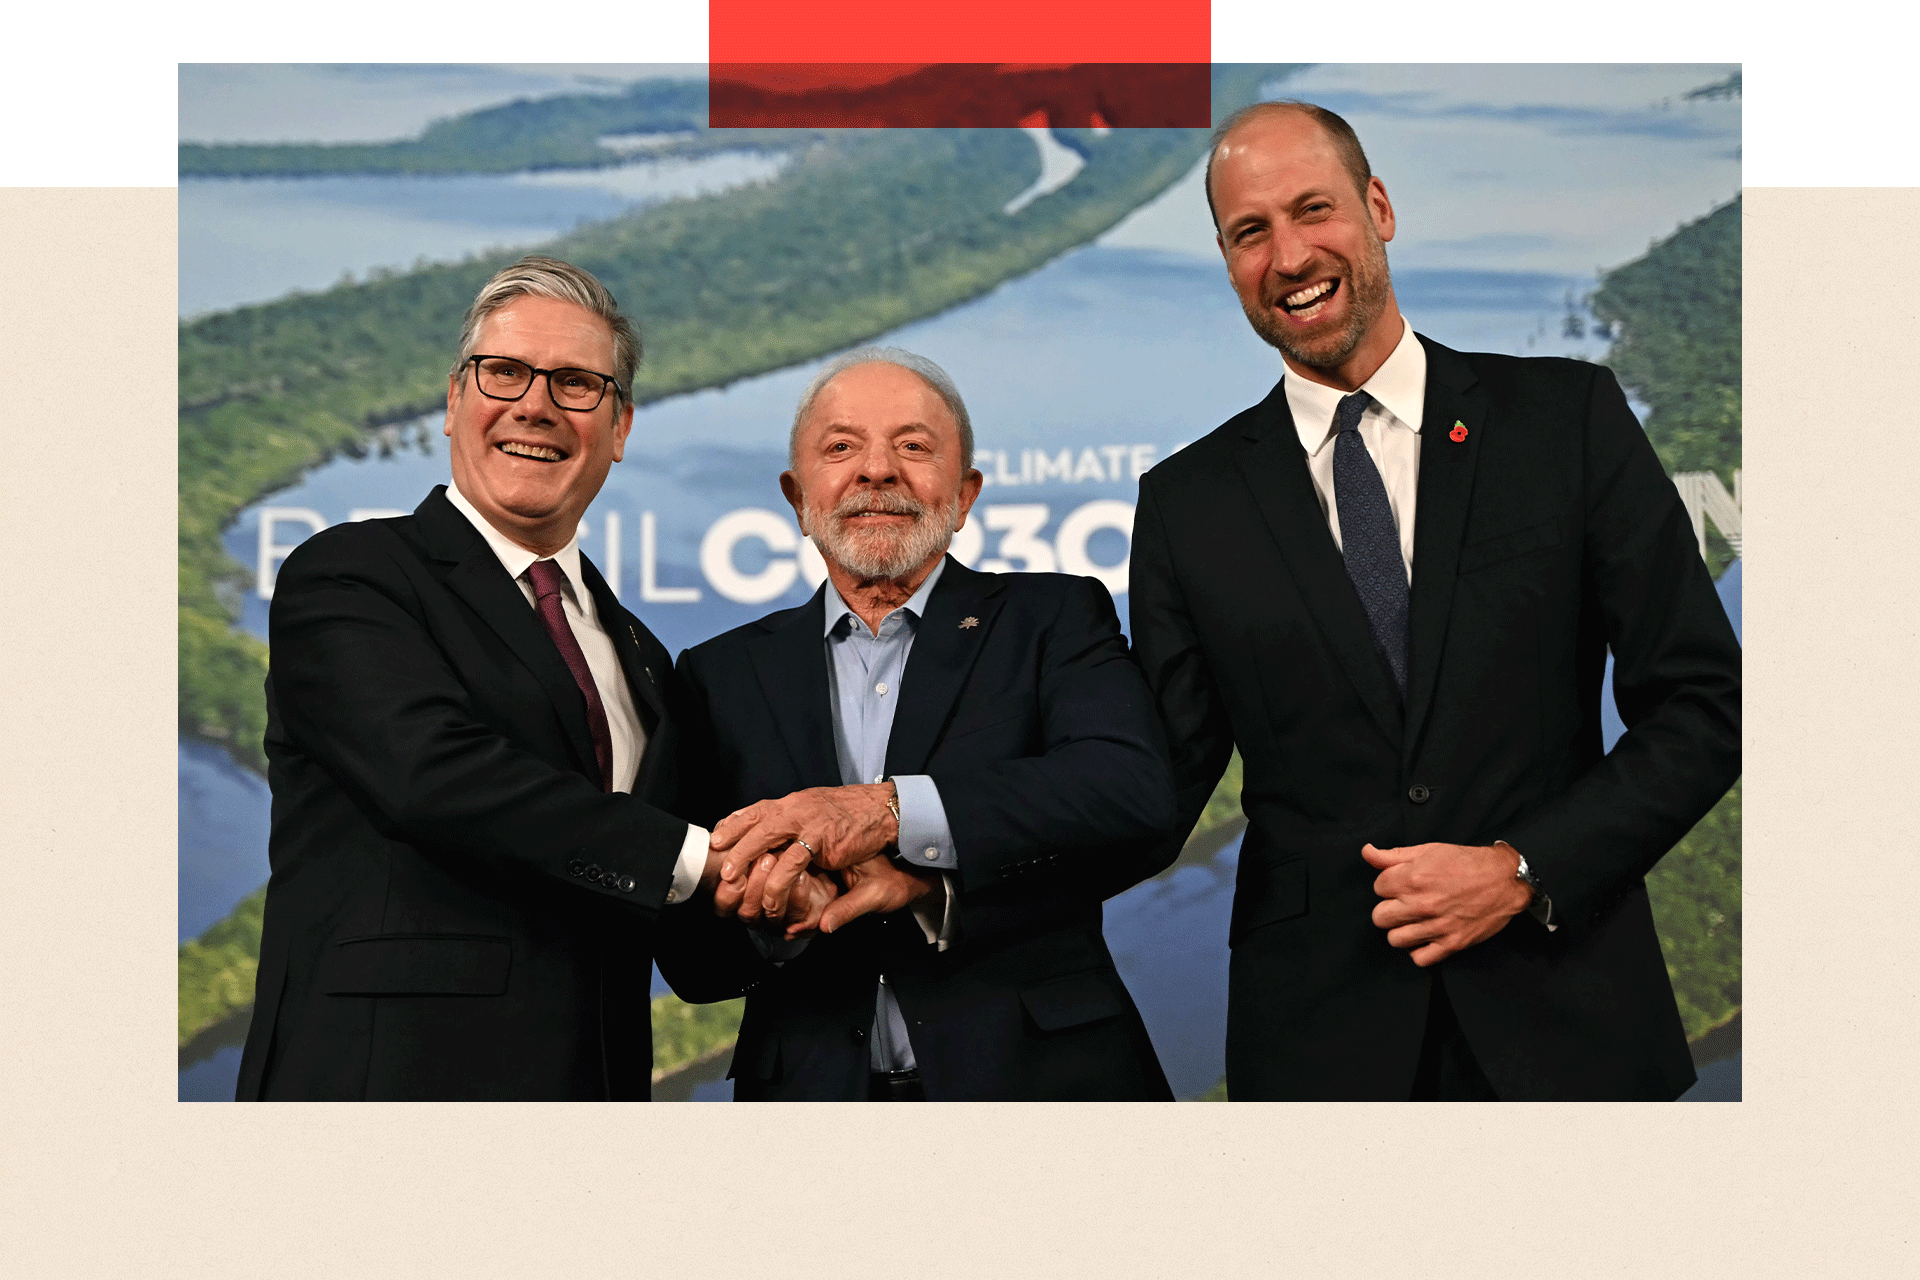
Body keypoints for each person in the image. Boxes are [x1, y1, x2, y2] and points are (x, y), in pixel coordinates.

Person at [1128, 102, 1741, 1100]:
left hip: (1571, 1022)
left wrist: (1524, 865)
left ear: (1378, 207)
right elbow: (1150, 789)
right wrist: (937, 856)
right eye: (1250, 232)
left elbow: (1708, 703)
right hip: (1323, 1057)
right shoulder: (1187, 505)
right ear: (1228, 259)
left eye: (1313, 209)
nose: (1289, 254)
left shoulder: (1565, 420)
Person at [236, 255, 735, 1100]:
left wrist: (795, 890)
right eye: (503, 372)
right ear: (454, 401)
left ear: (619, 430)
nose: (534, 405)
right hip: (385, 1094)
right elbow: (430, 776)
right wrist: (697, 855)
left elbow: (680, 931)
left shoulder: (643, 656)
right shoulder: (353, 575)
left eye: (577, 383)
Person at [667, 346, 1176, 1101]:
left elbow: (1131, 789)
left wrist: (890, 814)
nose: (877, 470)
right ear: (797, 497)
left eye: (913, 446)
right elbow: (691, 961)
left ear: (964, 494)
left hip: (1044, 1090)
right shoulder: (718, 675)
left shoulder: (1053, 618)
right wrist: (769, 916)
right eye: (841, 448)